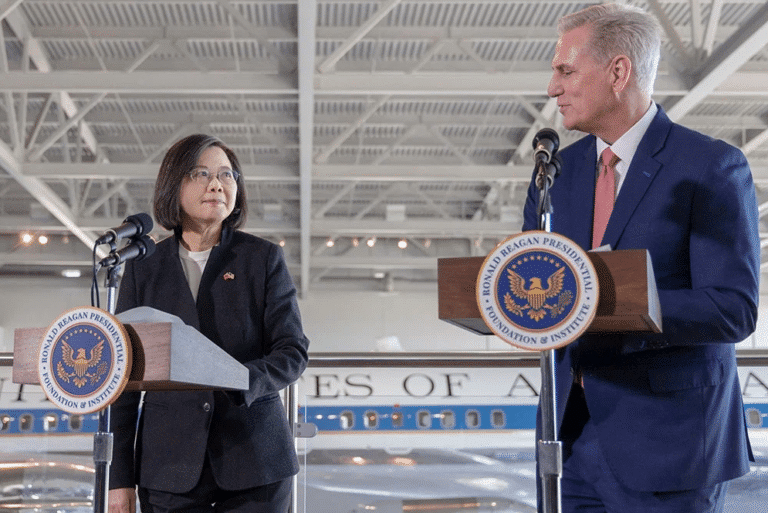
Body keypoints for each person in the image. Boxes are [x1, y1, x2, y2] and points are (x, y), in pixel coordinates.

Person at [522, 3, 759, 512]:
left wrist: (615, 300)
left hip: (670, 446)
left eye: (565, 70)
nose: (552, 88)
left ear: (618, 72)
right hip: (570, 442)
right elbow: (541, 289)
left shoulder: (711, 166)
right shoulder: (555, 174)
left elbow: (733, 308)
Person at [107, 134, 309, 513]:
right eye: (201, 173)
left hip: (256, 463)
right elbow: (123, 380)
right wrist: (119, 479)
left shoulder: (262, 258)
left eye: (227, 175)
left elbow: (292, 351)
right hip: (168, 468)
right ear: (174, 184)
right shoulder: (142, 268)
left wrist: (244, 379)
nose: (217, 183)